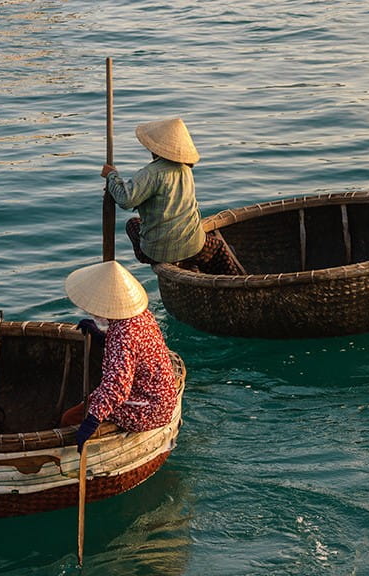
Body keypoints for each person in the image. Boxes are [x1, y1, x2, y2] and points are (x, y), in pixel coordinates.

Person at [60, 260, 178, 452]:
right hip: (162, 397)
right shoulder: (140, 315)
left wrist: (91, 421)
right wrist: (102, 337)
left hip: (148, 408)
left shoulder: (124, 335)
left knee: (69, 418)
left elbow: (117, 388)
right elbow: (133, 352)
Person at [101, 117, 242, 275]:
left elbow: (125, 199)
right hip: (194, 247)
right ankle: (234, 281)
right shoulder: (186, 169)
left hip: (156, 253)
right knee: (219, 249)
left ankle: (186, 264)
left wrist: (111, 176)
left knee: (132, 224)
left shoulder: (151, 173)